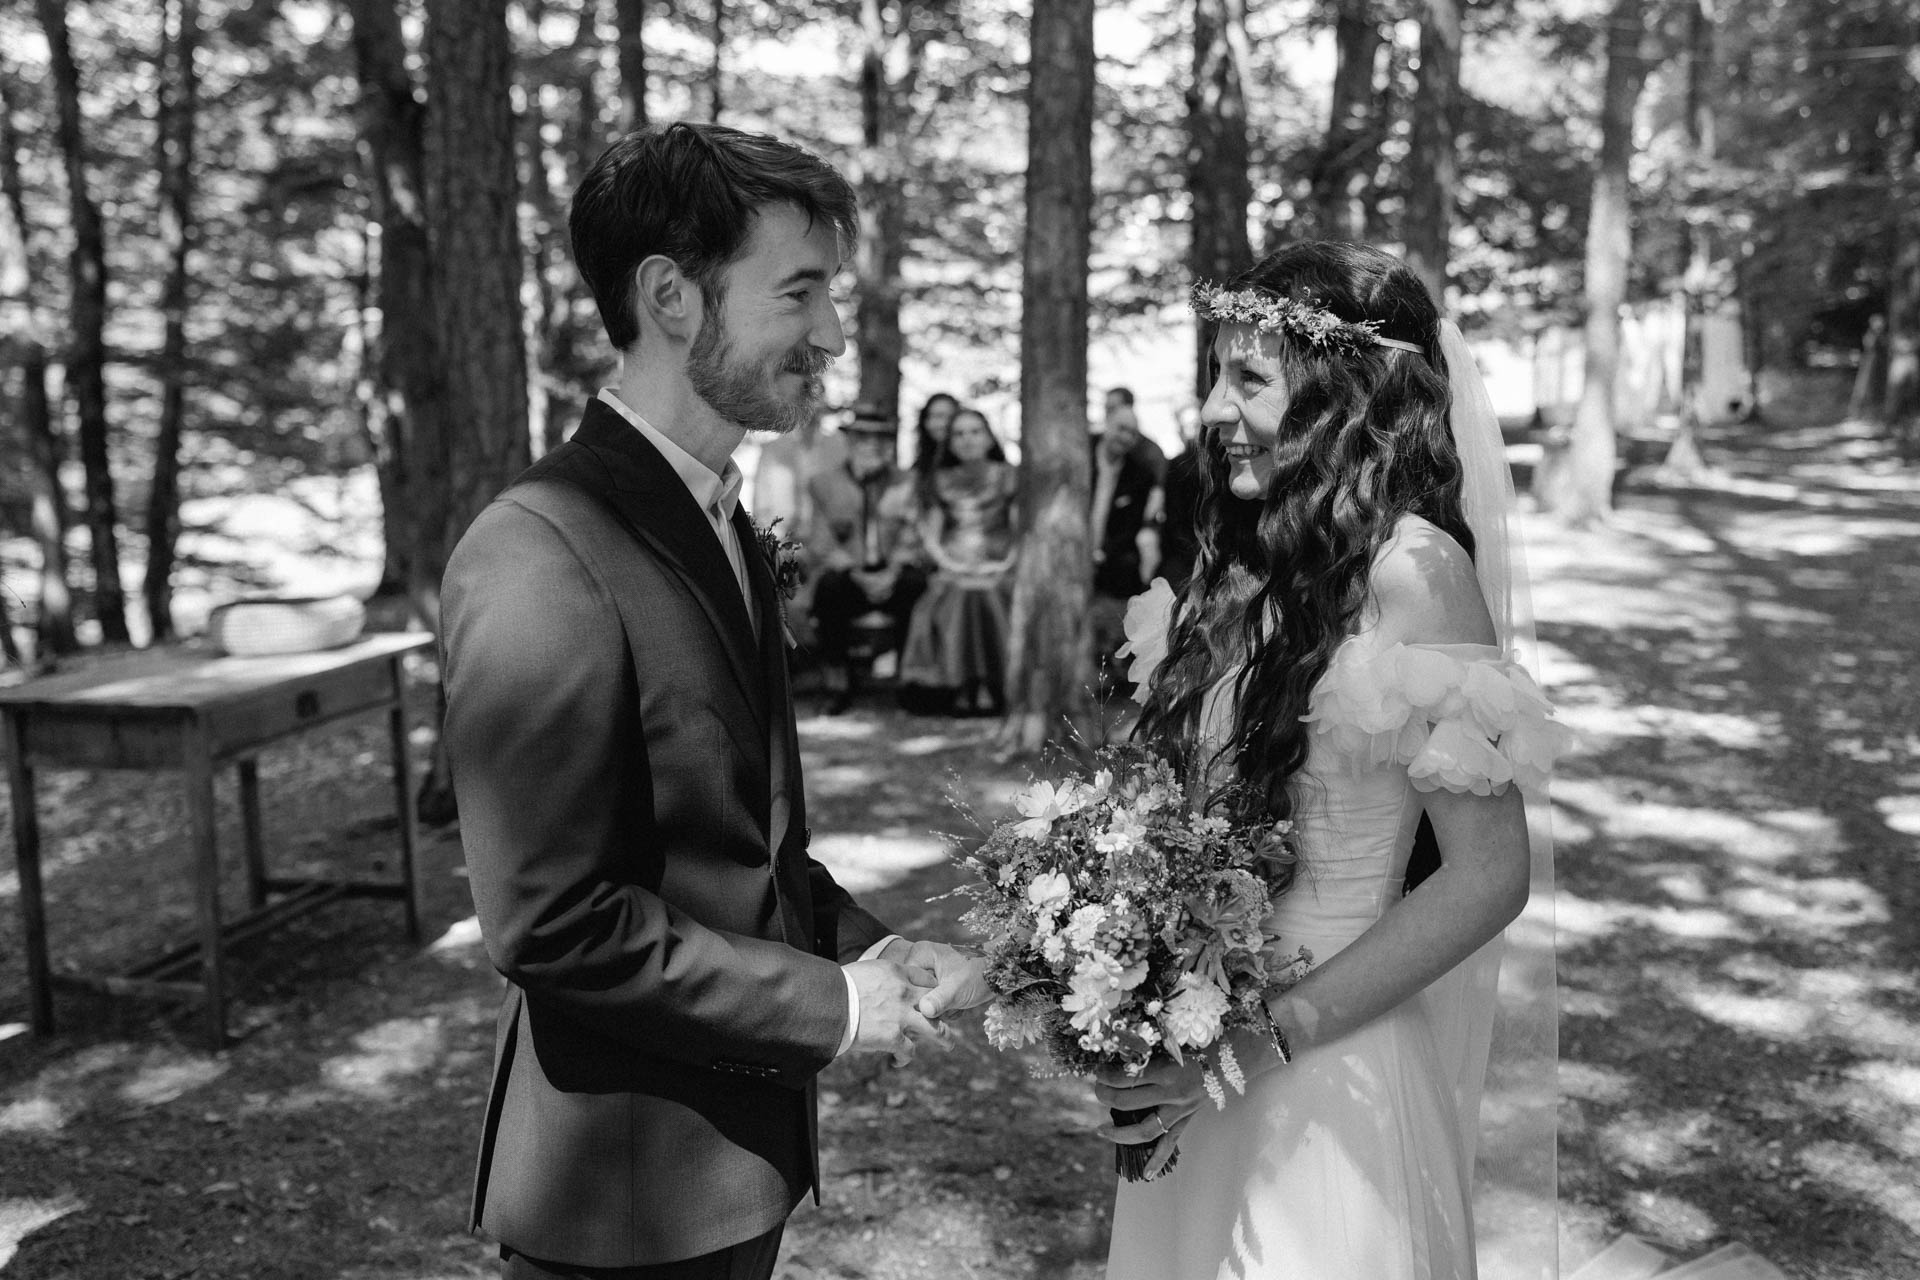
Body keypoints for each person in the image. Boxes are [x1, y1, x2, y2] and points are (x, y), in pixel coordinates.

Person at [439, 122, 988, 1280]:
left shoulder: (722, 519)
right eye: (798, 292)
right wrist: (831, 1004)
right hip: (621, 1193)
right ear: (671, 296)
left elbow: (740, 837)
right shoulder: (539, 549)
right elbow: (553, 921)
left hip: (735, 1166)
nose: (832, 333)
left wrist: (880, 948)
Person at [1098, 242, 1567, 1280]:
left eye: (1249, 379)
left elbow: (1490, 876)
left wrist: (1257, 1040)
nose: (1213, 410)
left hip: (1327, 1065)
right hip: (1193, 1051)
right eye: (1214, 375)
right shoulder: (1238, 567)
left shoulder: (1417, 572)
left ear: (1344, 394)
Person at [897, 407, 1019, 716]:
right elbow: (932, 538)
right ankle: (963, 685)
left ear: (989, 438)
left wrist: (1004, 564)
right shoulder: (939, 481)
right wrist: (952, 565)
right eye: (959, 434)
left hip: (999, 564)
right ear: (950, 443)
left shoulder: (1009, 476)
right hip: (954, 565)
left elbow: (1021, 531)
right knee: (959, 591)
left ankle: (992, 684)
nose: (967, 439)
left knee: (989, 591)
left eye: (975, 432)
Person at [805, 402, 926, 713]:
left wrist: (893, 571)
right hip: (850, 573)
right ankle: (838, 681)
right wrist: (856, 574)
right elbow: (820, 539)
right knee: (829, 588)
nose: (872, 445)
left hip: (892, 571)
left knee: (916, 585)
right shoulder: (823, 482)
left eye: (881, 438)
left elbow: (912, 533)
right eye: (863, 437)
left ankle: (908, 680)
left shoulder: (906, 482)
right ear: (850, 441)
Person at [1088, 407, 1162, 693]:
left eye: (1132, 433)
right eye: (1121, 428)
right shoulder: (1080, 457)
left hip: (1112, 558)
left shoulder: (1139, 474)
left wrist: (1100, 555)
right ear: (1106, 424)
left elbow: (1130, 528)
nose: (1126, 437)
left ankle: (1114, 670)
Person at [1157, 403, 1204, 592]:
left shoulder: (1220, 464)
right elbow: (1173, 517)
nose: (1190, 432)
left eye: (1194, 425)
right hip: (1182, 549)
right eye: (1185, 426)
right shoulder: (1176, 466)